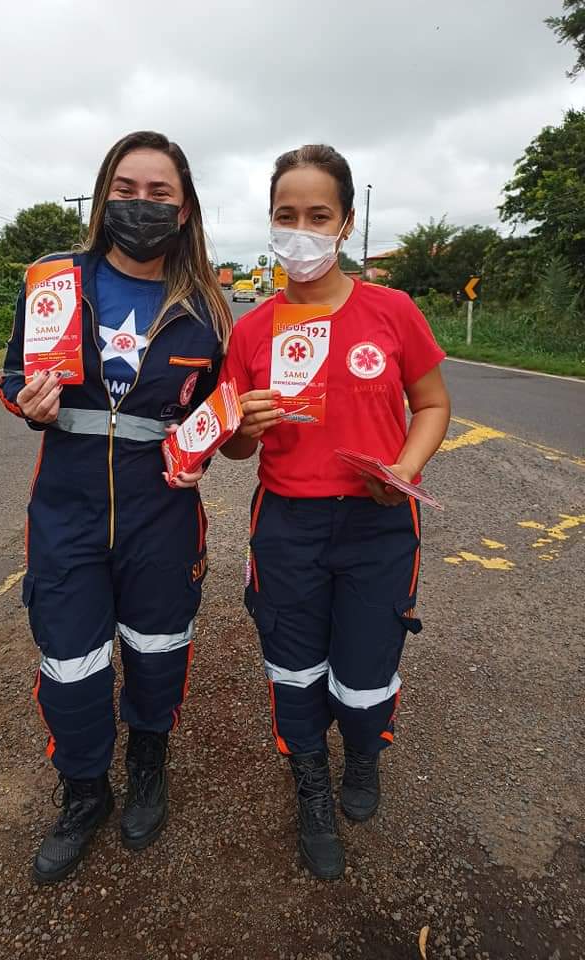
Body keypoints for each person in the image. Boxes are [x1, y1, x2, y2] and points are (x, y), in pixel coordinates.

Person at [0, 131, 231, 883]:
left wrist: (208, 443)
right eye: (125, 190)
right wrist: (29, 406)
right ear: (104, 197)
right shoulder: (54, 281)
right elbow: (12, 376)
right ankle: (85, 790)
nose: (140, 205)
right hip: (64, 515)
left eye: (158, 193)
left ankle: (149, 765)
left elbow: (219, 413)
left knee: (158, 651)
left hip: (163, 517)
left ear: (185, 207)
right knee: (70, 662)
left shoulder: (207, 310)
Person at [219, 145, 450, 880]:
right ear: (270, 222)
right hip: (287, 525)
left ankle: (362, 758)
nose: (301, 230)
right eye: (286, 216)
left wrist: (407, 467)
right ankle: (310, 782)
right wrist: (242, 429)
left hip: (379, 525)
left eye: (319, 215)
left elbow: (434, 404)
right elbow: (230, 450)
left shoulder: (393, 312)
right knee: (293, 665)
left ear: (346, 222)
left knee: (365, 666)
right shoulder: (254, 331)